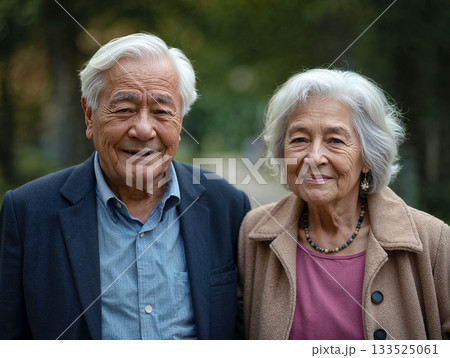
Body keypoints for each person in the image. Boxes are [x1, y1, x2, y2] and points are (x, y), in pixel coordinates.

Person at [0, 33, 250, 339]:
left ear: (180, 122)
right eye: (124, 110)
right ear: (89, 115)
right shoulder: (28, 213)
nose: (144, 129)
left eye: (161, 112)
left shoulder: (228, 206)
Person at [237, 69, 449, 340]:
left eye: (335, 140)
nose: (314, 157)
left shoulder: (434, 241)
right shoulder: (254, 234)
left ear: (368, 157)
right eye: (299, 139)